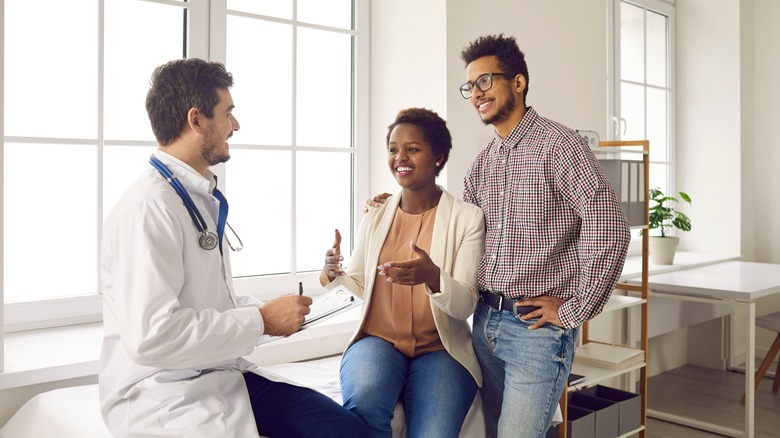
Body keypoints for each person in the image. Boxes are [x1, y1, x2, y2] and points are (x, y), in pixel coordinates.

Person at [99, 58, 367, 438]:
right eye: (228, 113)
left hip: (216, 372)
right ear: (196, 120)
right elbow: (151, 337)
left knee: (346, 431)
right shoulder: (147, 209)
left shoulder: (193, 196)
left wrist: (268, 312)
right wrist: (262, 321)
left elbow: (206, 303)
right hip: (164, 390)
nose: (235, 125)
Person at [459, 34, 631, 437]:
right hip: (484, 325)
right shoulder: (483, 161)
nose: (476, 94)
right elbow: (460, 230)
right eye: (470, 86)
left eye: (486, 81)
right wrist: (398, 204)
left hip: (534, 332)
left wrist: (572, 312)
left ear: (518, 82)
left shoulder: (560, 144)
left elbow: (610, 228)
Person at [322, 108, 485, 438]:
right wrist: (333, 272)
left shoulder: (467, 218)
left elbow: (466, 303)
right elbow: (358, 284)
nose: (400, 157)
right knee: (364, 407)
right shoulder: (376, 214)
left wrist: (433, 276)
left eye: (412, 148)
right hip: (377, 342)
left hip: (440, 350)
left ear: (438, 156)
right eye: (393, 149)